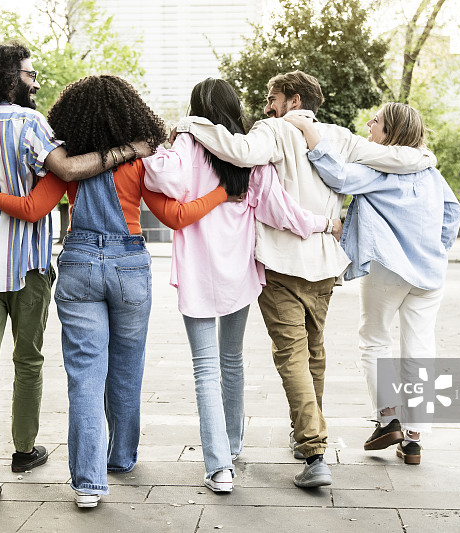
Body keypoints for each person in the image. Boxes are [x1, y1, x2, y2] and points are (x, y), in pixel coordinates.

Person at [0, 74, 230, 508]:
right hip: (130, 267)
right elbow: (175, 216)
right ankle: (120, 457)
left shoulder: (69, 161)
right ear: (130, 111)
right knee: (127, 369)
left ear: (72, 114)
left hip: (80, 264)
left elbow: (32, 210)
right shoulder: (141, 159)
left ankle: (87, 483)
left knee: (84, 376)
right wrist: (221, 193)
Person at [173, 70, 437, 488]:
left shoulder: (273, 130)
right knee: (314, 352)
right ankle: (304, 438)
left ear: (293, 100)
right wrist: (426, 159)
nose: (266, 105)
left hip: (281, 263)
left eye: (272, 97)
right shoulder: (340, 136)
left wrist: (192, 123)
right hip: (325, 266)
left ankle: (314, 452)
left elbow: (239, 152)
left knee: (292, 356)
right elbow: (397, 157)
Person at [0, 43, 151, 500]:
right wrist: (129, 148)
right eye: (30, 73)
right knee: (29, 360)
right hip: (30, 267)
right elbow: (65, 169)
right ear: (10, 78)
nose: (37, 81)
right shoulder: (28, 123)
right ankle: (25, 449)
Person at [141, 78, 337, 493]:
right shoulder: (248, 156)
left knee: (205, 369)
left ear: (196, 111)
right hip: (240, 276)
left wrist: (175, 134)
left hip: (198, 275)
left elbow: (159, 177)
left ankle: (219, 468)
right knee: (231, 361)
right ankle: (232, 442)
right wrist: (325, 224)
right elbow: (284, 213)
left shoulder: (186, 147)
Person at [284, 102, 460, 465]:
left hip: (389, 269)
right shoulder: (431, 171)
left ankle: (388, 418)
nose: (369, 124)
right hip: (430, 273)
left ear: (392, 131)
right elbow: (452, 213)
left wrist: (309, 131)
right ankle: (413, 439)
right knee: (420, 348)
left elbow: (337, 176)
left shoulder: (379, 169)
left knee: (374, 340)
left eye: (377, 121)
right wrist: (436, 248)